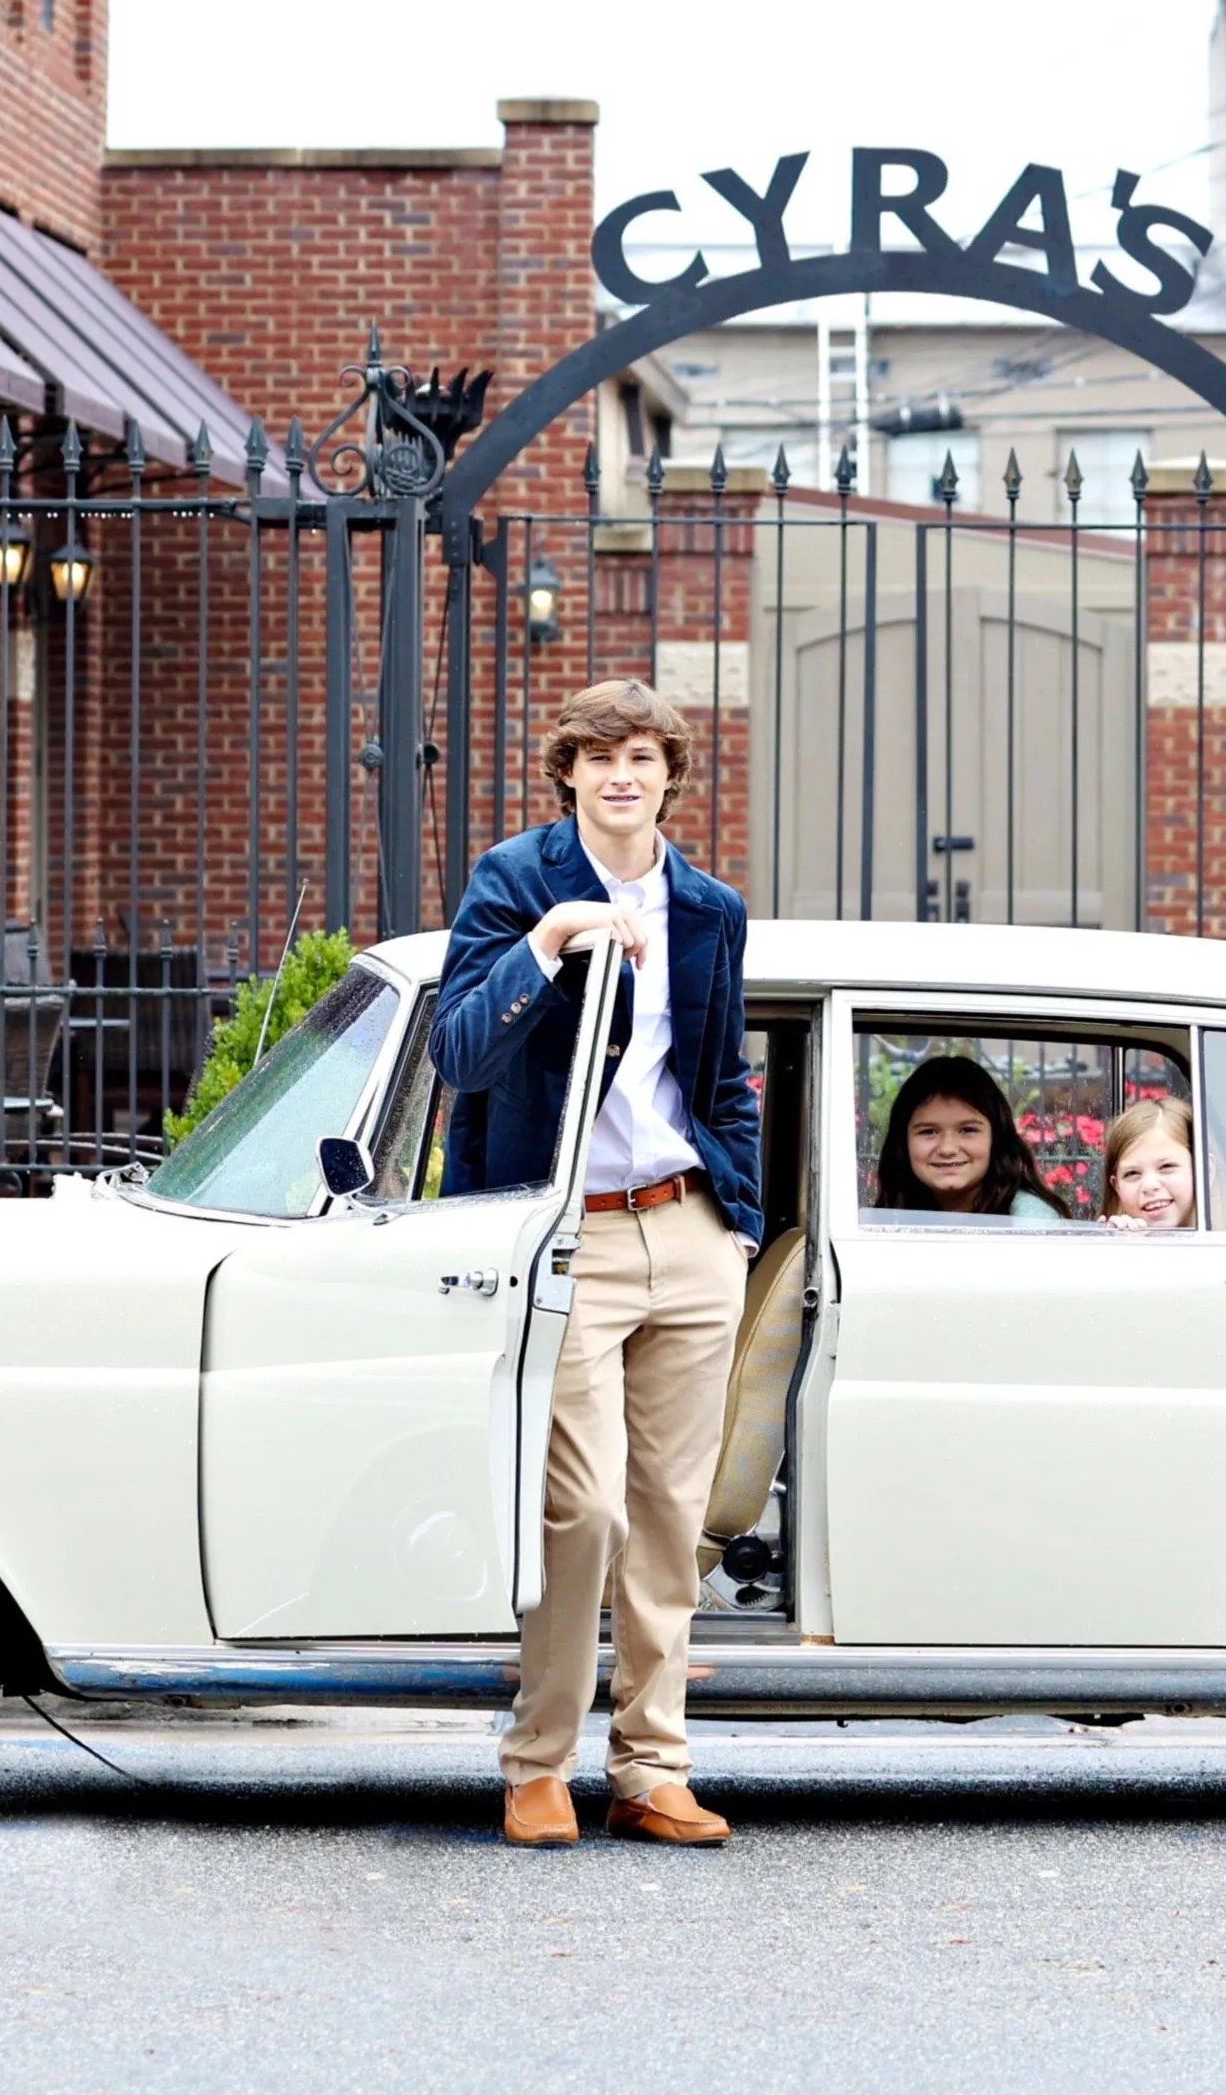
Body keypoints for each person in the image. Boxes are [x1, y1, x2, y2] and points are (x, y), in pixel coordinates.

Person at [430, 680, 761, 1851]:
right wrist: (552, 940)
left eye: (642, 756)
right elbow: (461, 1052)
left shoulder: (710, 907)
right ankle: (538, 1761)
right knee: (582, 1507)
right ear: (565, 773)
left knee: (673, 1512)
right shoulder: (514, 880)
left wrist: (737, 1221)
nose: (621, 774)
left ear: (671, 775)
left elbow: (720, 1078)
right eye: (597, 757)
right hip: (567, 1233)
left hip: (686, 1229)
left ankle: (652, 1765)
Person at [874, 1055, 1068, 1220]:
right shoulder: (892, 1217)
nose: (947, 1149)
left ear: (996, 1137)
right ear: (903, 1142)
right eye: (928, 1132)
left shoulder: (1031, 1220)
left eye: (967, 1130)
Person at [1100, 1094, 1198, 1232]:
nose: (1149, 1185)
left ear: (1206, 1171)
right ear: (1117, 1187)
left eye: (1166, 1166)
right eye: (1132, 1173)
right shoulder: (1114, 1246)